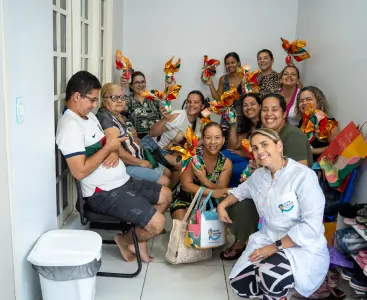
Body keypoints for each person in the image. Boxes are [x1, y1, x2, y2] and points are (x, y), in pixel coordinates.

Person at [56, 71, 172, 263]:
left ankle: (139, 234)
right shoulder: (69, 126)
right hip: (102, 193)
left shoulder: (89, 117)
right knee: (158, 223)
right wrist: (108, 148)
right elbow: (79, 171)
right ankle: (125, 239)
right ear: (77, 96)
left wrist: (111, 149)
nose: (95, 105)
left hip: (123, 181)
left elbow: (109, 142)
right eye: (92, 100)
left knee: (166, 194)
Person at [217, 128, 329, 299]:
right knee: (239, 284)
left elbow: (311, 226)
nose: (260, 151)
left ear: (279, 145)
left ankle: (288, 288)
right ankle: (279, 282)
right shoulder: (259, 176)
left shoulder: (303, 176)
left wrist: (274, 248)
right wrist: (222, 205)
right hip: (268, 236)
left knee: (269, 275)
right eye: (254, 148)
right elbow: (240, 191)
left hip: (301, 245)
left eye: (264, 144)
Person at [220, 92, 312, 261]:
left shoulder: (293, 136)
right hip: (267, 185)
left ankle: (250, 242)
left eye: (275, 109)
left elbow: (301, 174)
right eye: (265, 110)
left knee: (242, 206)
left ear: (284, 113)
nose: (269, 114)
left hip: (288, 199)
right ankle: (246, 239)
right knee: (233, 200)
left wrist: (262, 168)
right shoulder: (265, 133)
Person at [96, 83, 171, 187]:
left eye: (122, 97)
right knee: (165, 181)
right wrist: (141, 162)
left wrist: (135, 138)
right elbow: (117, 150)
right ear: (104, 100)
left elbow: (133, 137)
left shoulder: (121, 116)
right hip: (128, 165)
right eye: (114, 97)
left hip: (140, 156)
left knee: (168, 172)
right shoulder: (106, 118)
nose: (119, 100)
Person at [170, 122, 232, 220]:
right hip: (185, 201)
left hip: (210, 204)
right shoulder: (192, 155)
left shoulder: (226, 163)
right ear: (202, 139)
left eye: (217, 137)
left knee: (212, 231)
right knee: (183, 230)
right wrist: (212, 192)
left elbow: (221, 189)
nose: (213, 142)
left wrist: (204, 180)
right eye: (208, 137)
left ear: (223, 140)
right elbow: (187, 186)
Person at [146, 90, 206, 187]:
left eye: (196, 102)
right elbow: (152, 133)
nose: (192, 105)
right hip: (153, 146)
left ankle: (170, 193)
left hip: (168, 153)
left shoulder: (200, 124)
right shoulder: (178, 115)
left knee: (186, 164)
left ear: (202, 106)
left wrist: (204, 139)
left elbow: (193, 144)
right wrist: (165, 118)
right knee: (182, 164)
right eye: (189, 102)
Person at [204, 52, 245, 148]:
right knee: (226, 143)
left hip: (243, 116)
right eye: (227, 63)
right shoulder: (223, 79)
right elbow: (217, 97)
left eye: (233, 62)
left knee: (240, 144)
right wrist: (210, 84)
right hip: (227, 116)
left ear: (238, 63)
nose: (230, 65)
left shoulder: (245, 78)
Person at [225, 92, 262, 187]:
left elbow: (262, 152)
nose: (249, 107)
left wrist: (242, 153)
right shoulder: (248, 126)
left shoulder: (266, 124)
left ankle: (228, 193)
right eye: (245, 105)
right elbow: (234, 146)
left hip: (259, 164)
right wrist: (234, 124)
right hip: (247, 159)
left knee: (235, 168)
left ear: (260, 106)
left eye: (252, 104)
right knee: (224, 154)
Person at [295, 86, 339, 162]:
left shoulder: (328, 123)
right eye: (301, 101)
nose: (304, 103)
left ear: (318, 102)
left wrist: (313, 151)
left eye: (309, 99)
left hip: (321, 169)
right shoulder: (302, 122)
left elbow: (336, 147)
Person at [122, 71, 162, 139]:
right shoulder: (128, 100)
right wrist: (123, 86)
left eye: (142, 82)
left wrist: (169, 87)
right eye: (137, 82)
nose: (140, 85)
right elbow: (120, 108)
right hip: (138, 140)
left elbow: (165, 114)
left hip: (157, 139)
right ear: (131, 86)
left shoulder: (154, 99)